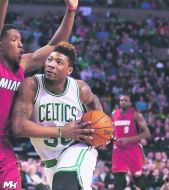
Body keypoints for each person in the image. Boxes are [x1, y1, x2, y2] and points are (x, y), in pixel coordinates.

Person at [0, 0, 84, 189]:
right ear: (0, 44)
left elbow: (55, 45)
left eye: (21, 39)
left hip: (2, 147)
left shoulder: (22, 65)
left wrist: (71, 10)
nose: (20, 44)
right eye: (15, 40)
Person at [11, 41, 103, 190]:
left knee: (64, 184)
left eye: (59, 62)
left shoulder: (80, 88)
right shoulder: (31, 85)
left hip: (77, 147)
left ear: (69, 70)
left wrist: (103, 131)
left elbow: (94, 101)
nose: (51, 64)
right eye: (49, 59)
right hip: (51, 161)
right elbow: (19, 127)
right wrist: (62, 131)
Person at [111, 95, 151, 190]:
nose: (123, 102)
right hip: (118, 150)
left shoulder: (136, 114)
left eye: (126, 100)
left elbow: (147, 133)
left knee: (138, 180)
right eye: (121, 100)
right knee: (118, 182)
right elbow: (112, 130)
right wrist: (107, 140)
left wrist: (127, 139)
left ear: (130, 103)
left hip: (133, 150)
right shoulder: (114, 114)